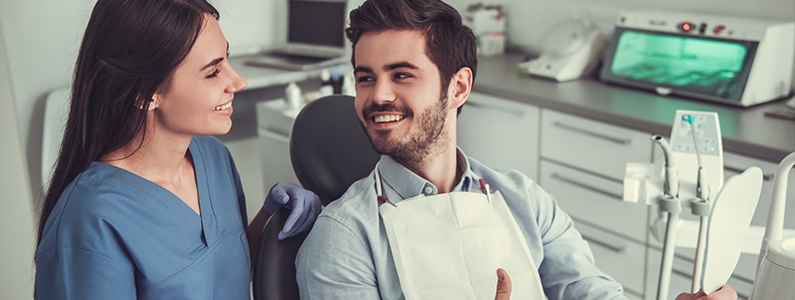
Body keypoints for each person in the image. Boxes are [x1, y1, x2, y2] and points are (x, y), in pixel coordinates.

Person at [295, 0, 738, 300]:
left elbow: (590, 291)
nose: (378, 96)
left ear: (459, 87)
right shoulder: (344, 237)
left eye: (402, 75)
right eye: (366, 77)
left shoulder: (522, 200)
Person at [34, 0, 320, 299]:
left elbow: (224, 273)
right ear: (145, 93)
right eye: (213, 72)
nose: (238, 81)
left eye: (227, 60)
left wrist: (270, 216)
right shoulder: (89, 223)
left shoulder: (214, 158)